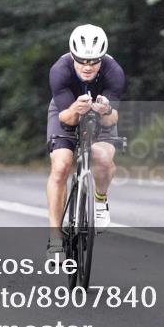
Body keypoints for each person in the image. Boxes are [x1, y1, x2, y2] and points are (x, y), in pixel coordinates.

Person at [45, 24, 125, 260]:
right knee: (61, 167)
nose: (87, 66)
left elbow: (112, 119)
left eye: (94, 61)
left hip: (101, 112)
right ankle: (54, 237)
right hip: (67, 110)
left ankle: (100, 201)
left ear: (102, 58)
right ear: (72, 56)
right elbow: (65, 118)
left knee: (102, 157)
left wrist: (105, 109)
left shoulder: (114, 71)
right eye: (81, 60)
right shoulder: (60, 70)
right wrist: (76, 109)